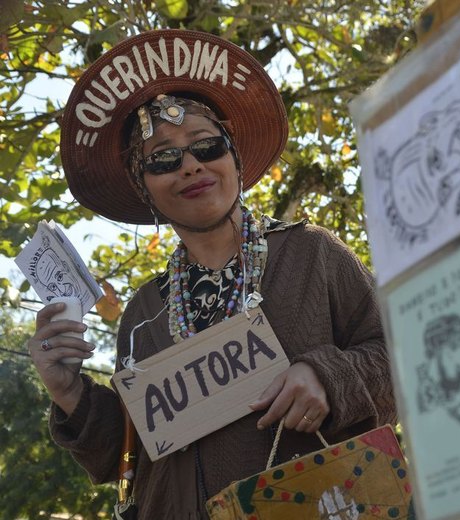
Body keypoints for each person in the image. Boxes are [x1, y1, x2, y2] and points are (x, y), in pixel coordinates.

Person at [25, 29, 396, 519]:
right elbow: (130, 456)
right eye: (163, 158)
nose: (190, 166)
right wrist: (68, 391)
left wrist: (328, 375)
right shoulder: (143, 313)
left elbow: (405, 361)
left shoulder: (312, 255)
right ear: (145, 187)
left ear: (234, 160)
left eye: (207, 146)